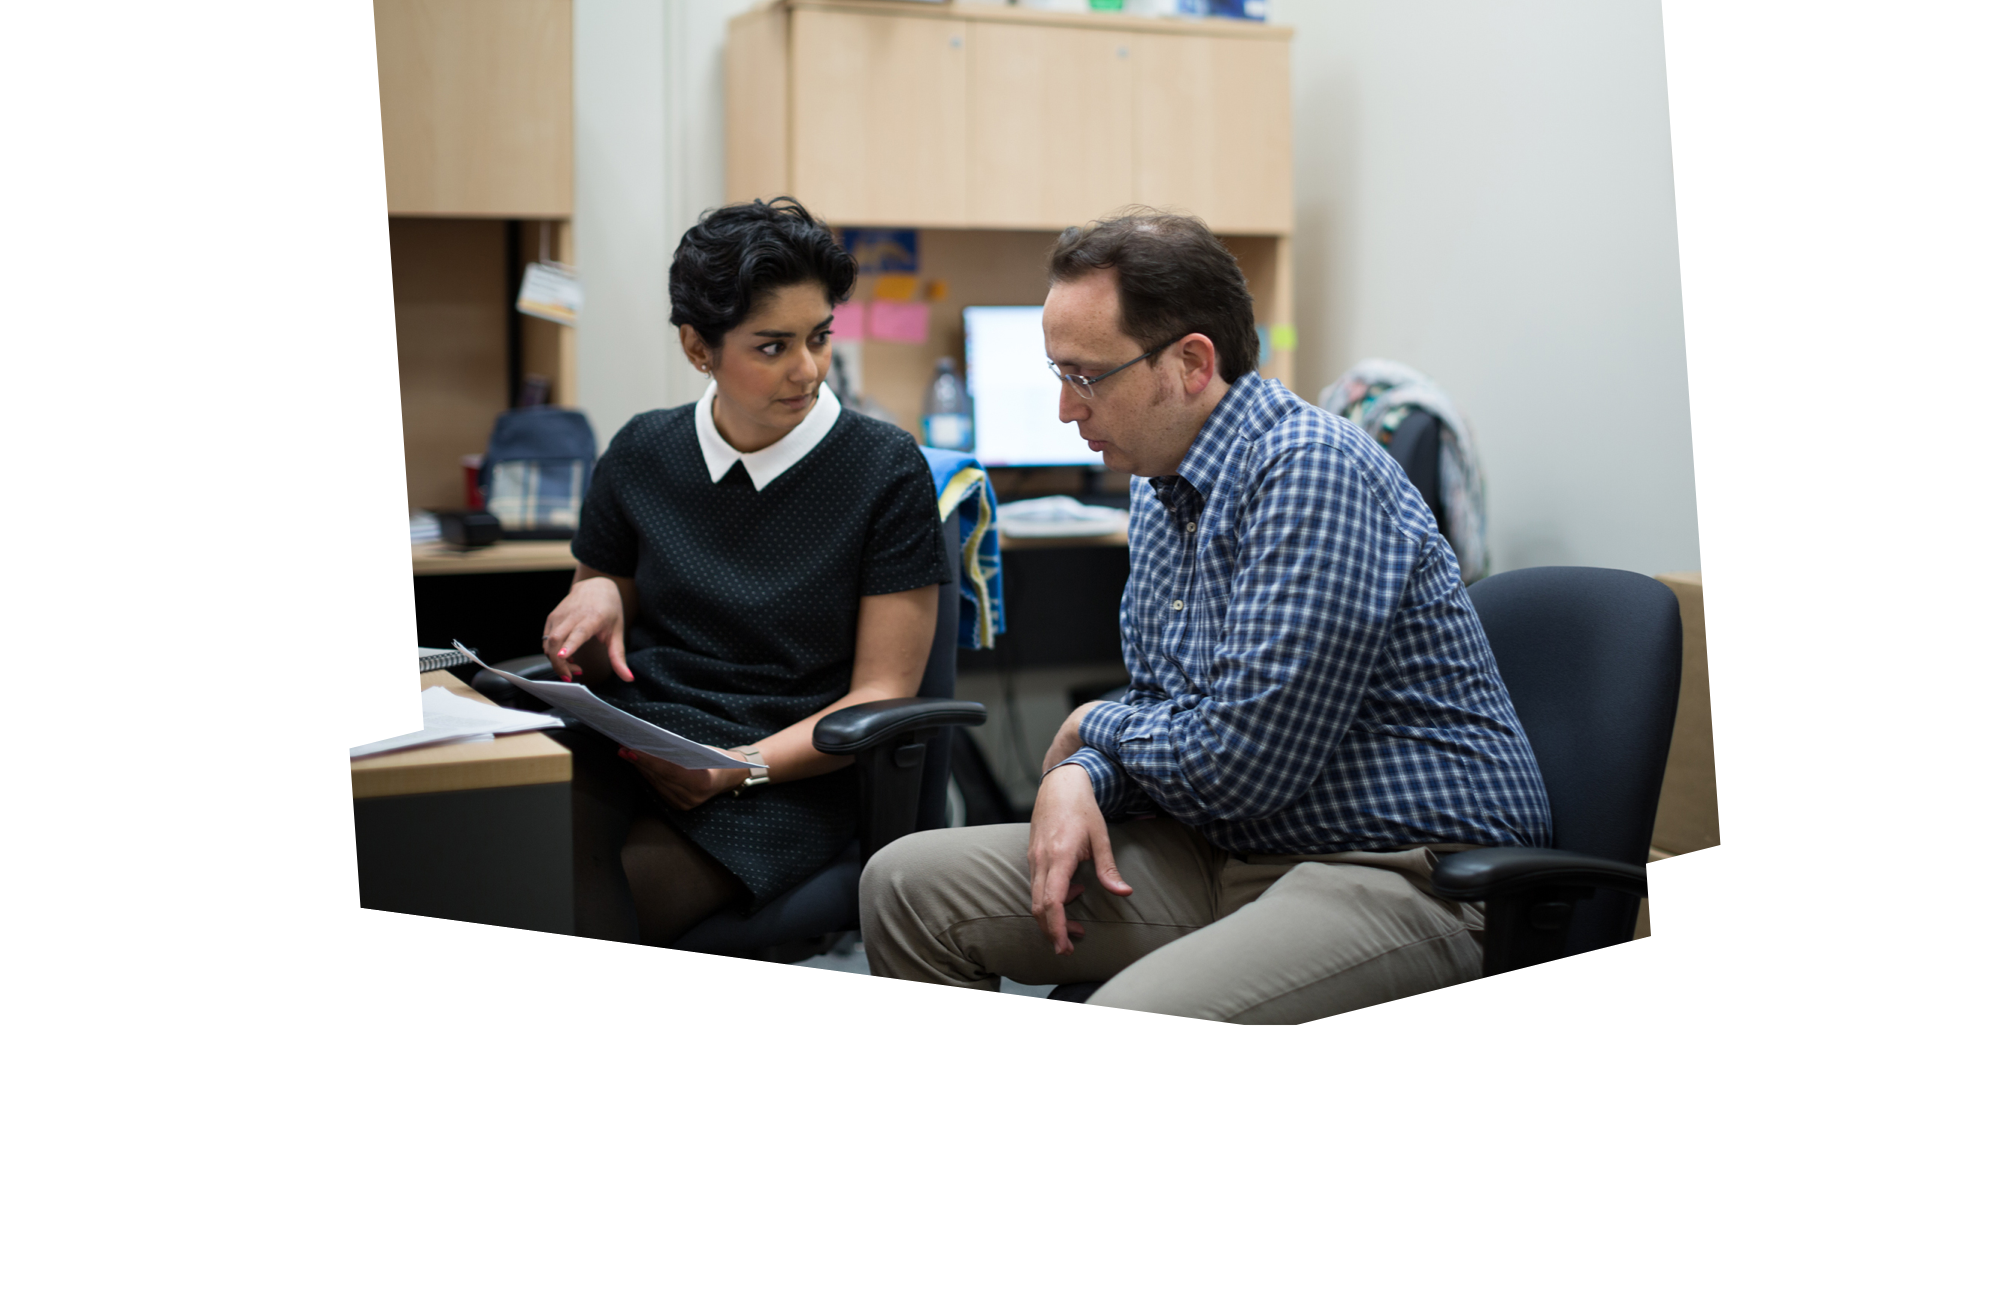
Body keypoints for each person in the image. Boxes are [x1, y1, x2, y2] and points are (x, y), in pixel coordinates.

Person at [859, 212, 1553, 1023]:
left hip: (1402, 869)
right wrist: (1083, 770)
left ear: (1190, 363)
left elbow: (1244, 763)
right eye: (1057, 373)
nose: (1063, 410)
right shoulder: (1164, 487)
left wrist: (1090, 730)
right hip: (1232, 843)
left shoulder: (1311, 471)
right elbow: (1164, 704)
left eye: (1085, 376)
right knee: (904, 885)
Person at [542, 197, 950, 946]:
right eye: (772, 347)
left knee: (591, 900)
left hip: (780, 777)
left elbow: (883, 692)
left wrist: (737, 769)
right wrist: (599, 592)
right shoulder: (641, 452)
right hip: (639, 744)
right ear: (700, 348)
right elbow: (602, 621)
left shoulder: (884, 470)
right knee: (498, 851)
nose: (808, 371)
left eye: (819, 338)